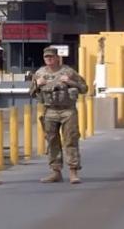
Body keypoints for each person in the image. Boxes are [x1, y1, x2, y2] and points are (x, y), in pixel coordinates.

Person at [29, 47, 88, 184]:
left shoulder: (68, 72)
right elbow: (31, 92)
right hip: (50, 111)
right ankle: (56, 171)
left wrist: (70, 82)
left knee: (70, 140)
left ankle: (73, 171)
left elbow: (84, 88)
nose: (49, 59)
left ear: (57, 58)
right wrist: (37, 84)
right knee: (52, 141)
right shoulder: (40, 73)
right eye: (46, 57)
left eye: (51, 57)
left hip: (68, 110)